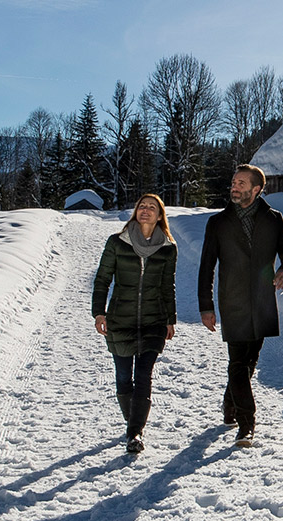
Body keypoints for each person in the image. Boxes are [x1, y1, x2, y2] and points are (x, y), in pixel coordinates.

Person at [198, 164, 283, 446]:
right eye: (233, 182)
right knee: (238, 363)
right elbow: (206, 267)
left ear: (256, 189)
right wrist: (206, 306)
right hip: (233, 301)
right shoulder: (217, 223)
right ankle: (246, 423)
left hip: (264, 301)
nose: (234, 186)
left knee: (250, 362)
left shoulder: (274, 219)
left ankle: (230, 402)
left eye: (241, 183)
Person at [92, 193, 178, 454]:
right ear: (135, 211)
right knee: (123, 378)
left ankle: (135, 433)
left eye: (152, 207)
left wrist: (170, 319)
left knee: (143, 377)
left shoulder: (167, 248)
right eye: (142, 206)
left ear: (160, 215)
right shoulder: (117, 243)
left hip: (153, 321)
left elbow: (167, 286)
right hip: (121, 319)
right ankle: (133, 422)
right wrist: (99, 312)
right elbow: (102, 279)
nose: (146, 210)